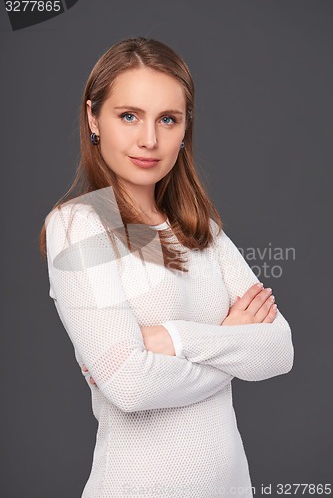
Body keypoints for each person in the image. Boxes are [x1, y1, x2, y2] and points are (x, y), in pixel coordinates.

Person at [40, 37, 294, 497]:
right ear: (93, 118)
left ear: (184, 128)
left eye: (168, 119)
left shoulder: (202, 230)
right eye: (129, 116)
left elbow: (279, 349)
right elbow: (131, 386)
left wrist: (173, 339)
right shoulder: (80, 225)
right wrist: (232, 340)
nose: (149, 139)